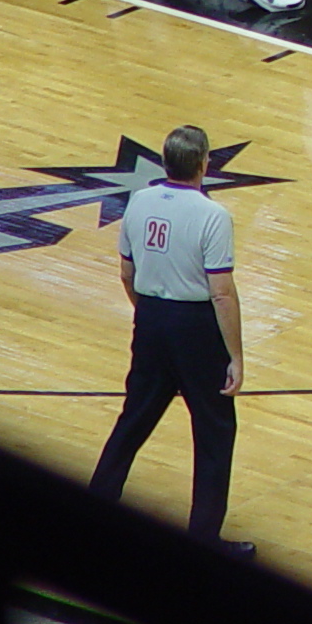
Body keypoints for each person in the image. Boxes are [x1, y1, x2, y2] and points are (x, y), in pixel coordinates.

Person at [86, 123, 252, 558]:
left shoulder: (138, 201)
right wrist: (234, 355)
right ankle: (203, 539)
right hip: (195, 326)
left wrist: (148, 314)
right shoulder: (212, 215)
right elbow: (221, 291)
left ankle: (93, 509)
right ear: (204, 164)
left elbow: (126, 272)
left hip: (151, 318)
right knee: (215, 429)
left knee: (134, 418)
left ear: (164, 162)